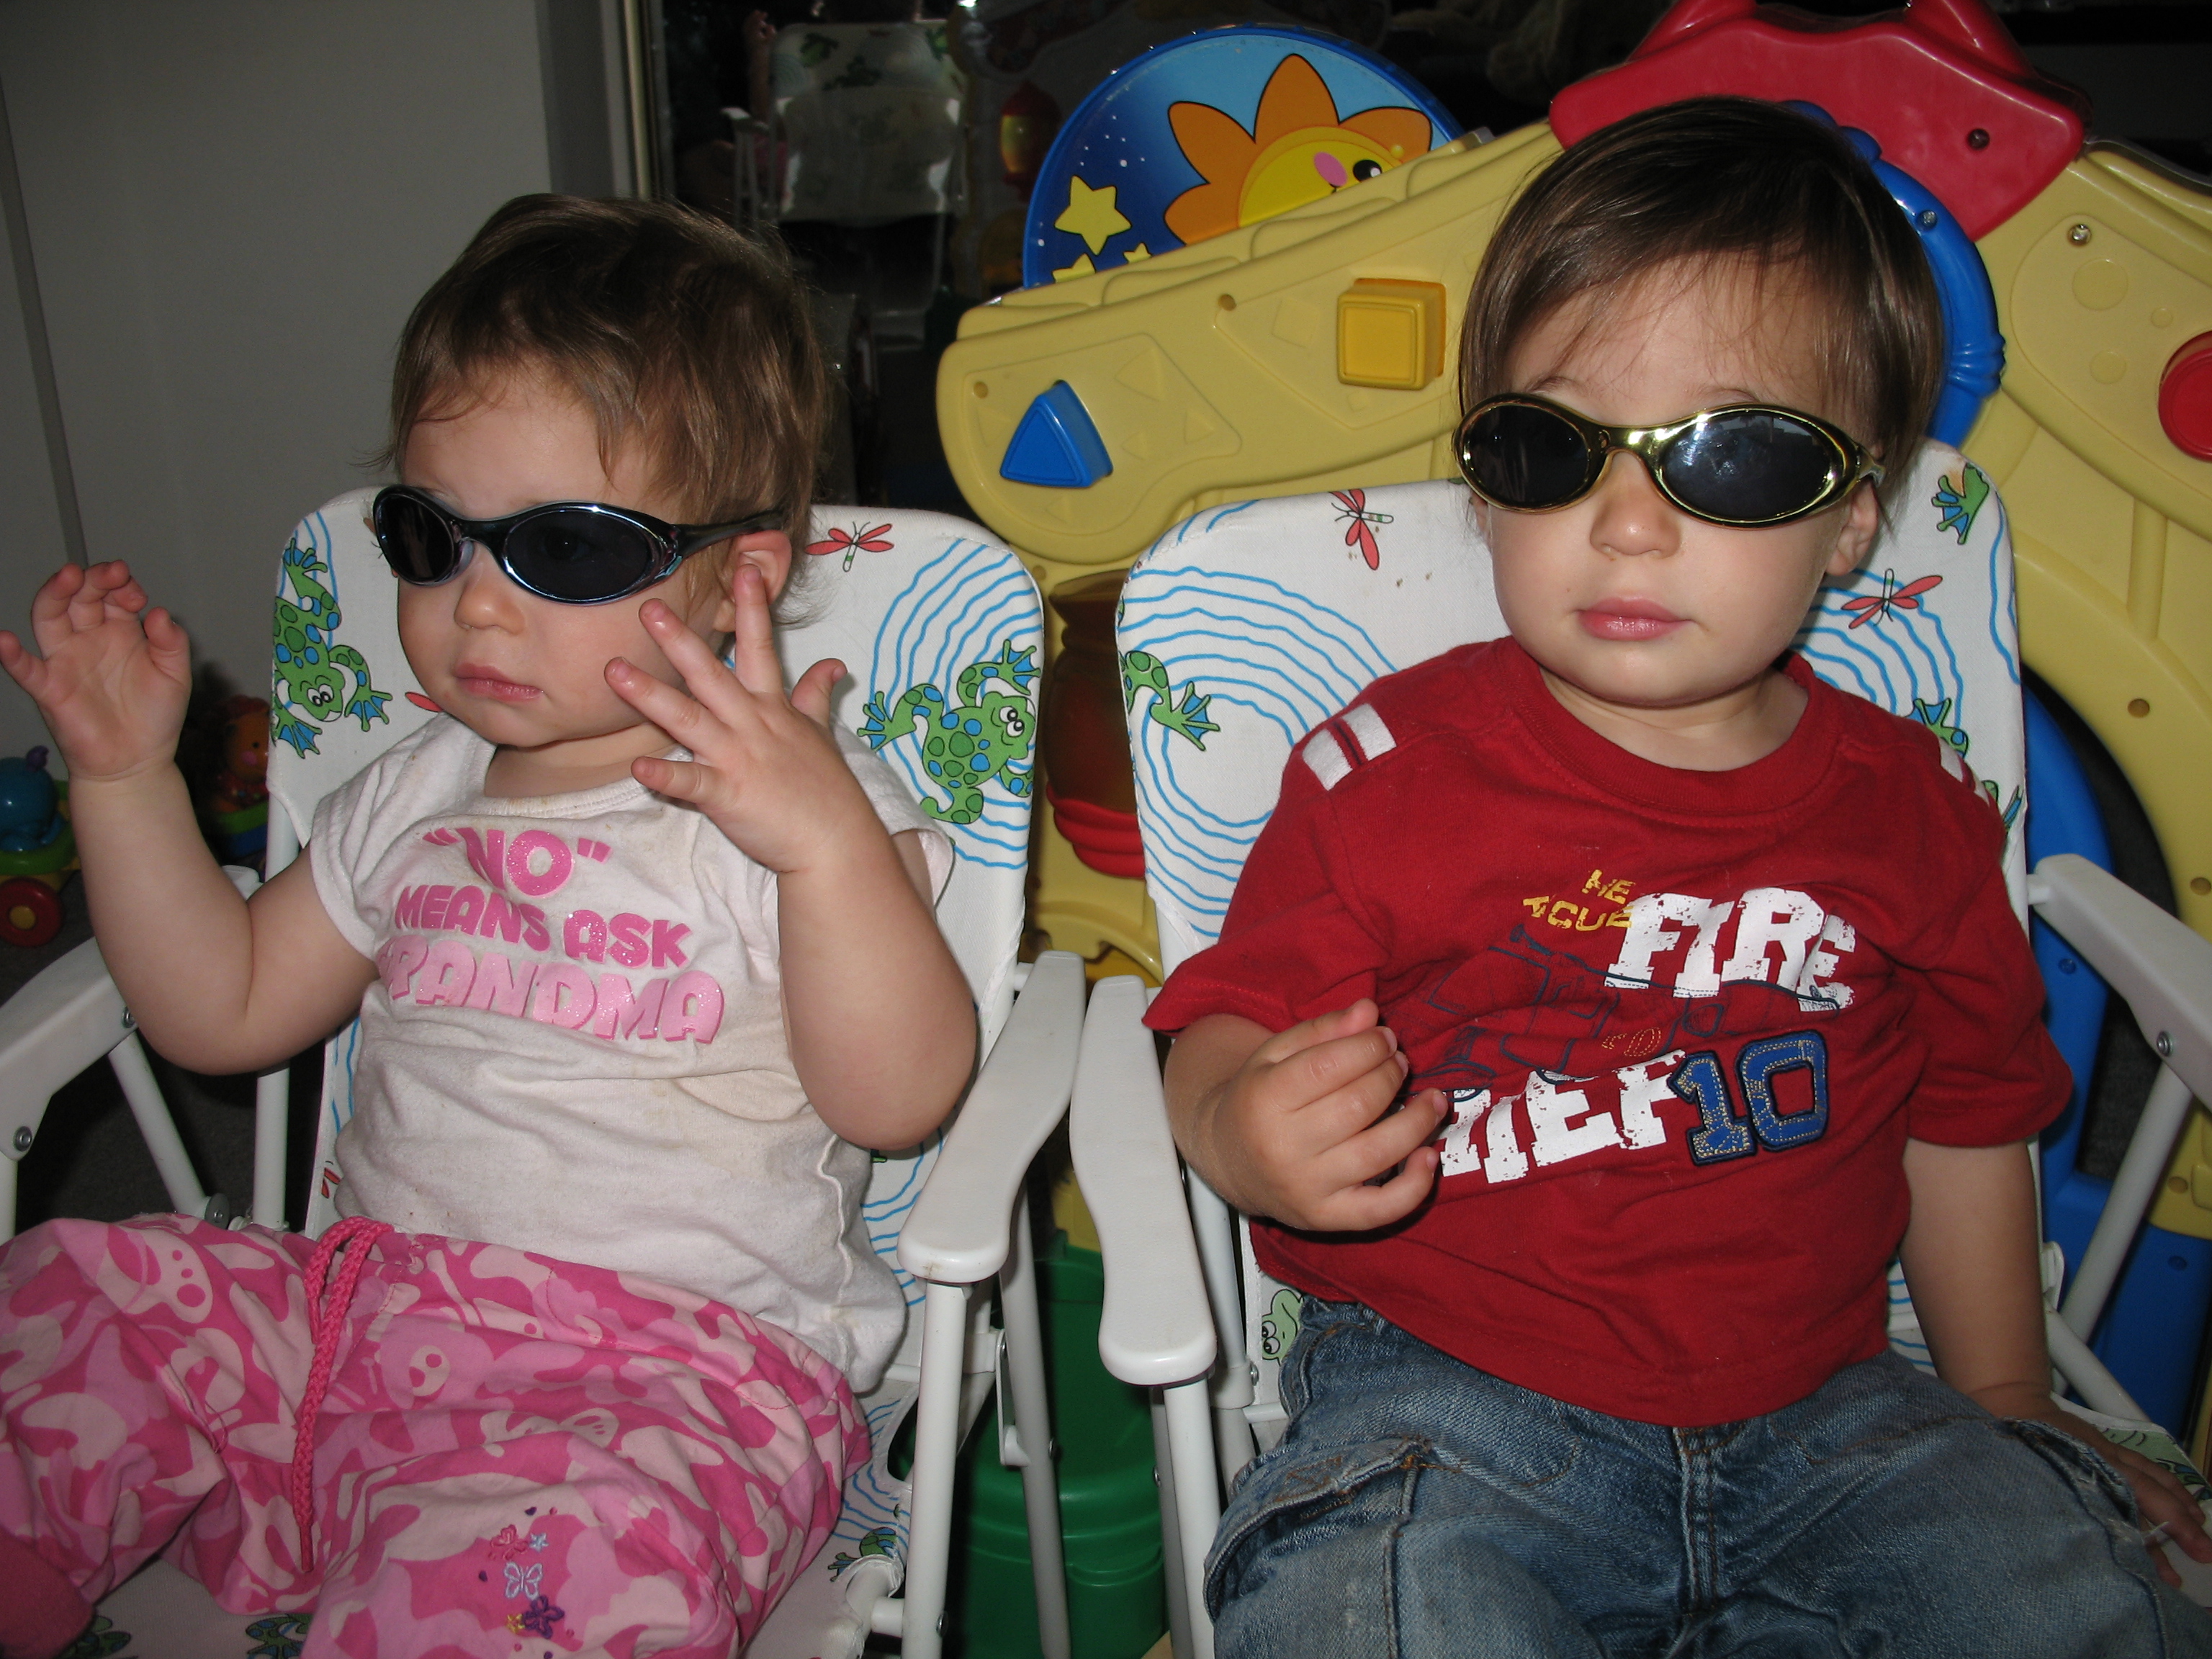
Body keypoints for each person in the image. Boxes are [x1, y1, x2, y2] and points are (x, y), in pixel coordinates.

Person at [1145, 98, 2212, 1657]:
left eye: (1737, 456)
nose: (1630, 524)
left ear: (1851, 521)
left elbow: (1966, 1111)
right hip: (1451, 1403)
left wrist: (2001, 1395)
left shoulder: (1909, 814)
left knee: (2056, 1609)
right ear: (1485, 490)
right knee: (1365, 1613)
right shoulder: (1383, 775)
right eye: (1550, 447)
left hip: (1843, 1413)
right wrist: (1238, 1131)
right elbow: (1221, 1024)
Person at [0, 196, 976, 1658]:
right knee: (80, 1299)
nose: (479, 609)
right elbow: (223, 1008)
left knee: (556, 1567)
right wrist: (126, 780)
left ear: (742, 575)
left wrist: (825, 847)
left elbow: (897, 1098)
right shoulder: (419, 788)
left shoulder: (796, 808)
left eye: (565, 552)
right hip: (341, 1330)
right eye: (430, 536)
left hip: (657, 1385)